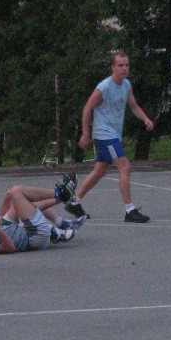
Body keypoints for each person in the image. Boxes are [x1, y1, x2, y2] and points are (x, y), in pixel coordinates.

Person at [66, 51, 154, 223]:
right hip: (105, 135)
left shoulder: (126, 85)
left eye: (126, 65)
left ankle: (74, 201)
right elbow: (87, 108)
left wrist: (145, 118)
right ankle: (130, 210)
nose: (124, 68)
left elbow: (134, 106)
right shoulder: (104, 87)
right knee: (125, 167)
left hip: (113, 135)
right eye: (120, 65)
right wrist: (85, 133)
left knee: (100, 170)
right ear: (113, 67)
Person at [0, 183, 81, 254]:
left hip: (22, 228)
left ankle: (61, 198)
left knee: (15, 197)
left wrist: (7, 200)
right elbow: (9, 248)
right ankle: (60, 194)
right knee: (17, 192)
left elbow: (1, 218)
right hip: (34, 237)